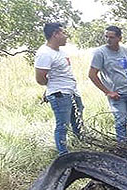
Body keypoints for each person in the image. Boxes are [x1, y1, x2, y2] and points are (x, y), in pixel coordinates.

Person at [35, 22, 83, 155]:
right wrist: (52, 87)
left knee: (78, 122)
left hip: (71, 91)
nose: (66, 36)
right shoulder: (44, 54)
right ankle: (63, 155)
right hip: (59, 94)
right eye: (63, 33)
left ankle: (80, 147)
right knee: (63, 125)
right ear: (55, 34)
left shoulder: (61, 51)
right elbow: (40, 79)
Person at [89, 26, 127, 141]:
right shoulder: (100, 53)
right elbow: (92, 75)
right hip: (117, 95)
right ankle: (122, 149)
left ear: (119, 38)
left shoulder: (126, 51)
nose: (108, 40)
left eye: (112, 37)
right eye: (106, 36)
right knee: (121, 122)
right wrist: (108, 92)